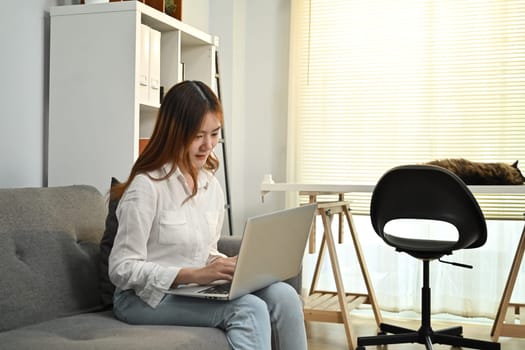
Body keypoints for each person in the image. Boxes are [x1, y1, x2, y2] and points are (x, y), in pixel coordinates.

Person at [108, 80, 307, 350]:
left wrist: (234, 265)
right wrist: (194, 275)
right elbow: (121, 269)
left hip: (191, 290)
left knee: (285, 296)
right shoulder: (146, 187)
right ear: (174, 132)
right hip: (143, 298)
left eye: (214, 134)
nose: (208, 145)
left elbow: (205, 251)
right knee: (248, 310)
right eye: (198, 135)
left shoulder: (210, 186)